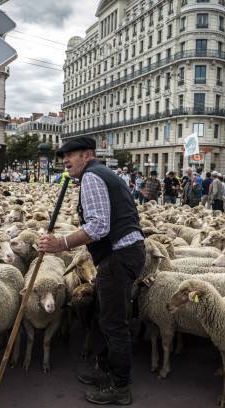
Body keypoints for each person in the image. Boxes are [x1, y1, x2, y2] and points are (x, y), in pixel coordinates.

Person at [38, 136, 144, 405]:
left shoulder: (92, 177)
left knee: (113, 322)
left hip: (119, 257)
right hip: (118, 254)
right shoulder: (102, 175)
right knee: (102, 314)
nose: (65, 160)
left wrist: (60, 244)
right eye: (63, 156)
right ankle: (106, 370)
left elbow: (98, 226)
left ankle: (120, 387)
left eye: (70, 155)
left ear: (87, 155)